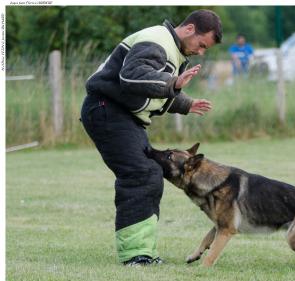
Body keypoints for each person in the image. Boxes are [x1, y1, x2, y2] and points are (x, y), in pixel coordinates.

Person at [80, 9, 222, 266]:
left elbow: (151, 90)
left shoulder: (171, 48)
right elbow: (132, 77)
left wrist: (186, 103)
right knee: (141, 174)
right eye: (201, 45)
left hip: (119, 113)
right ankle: (137, 256)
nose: (201, 52)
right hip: (106, 109)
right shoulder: (156, 40)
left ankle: (142, 252)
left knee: (150, 171)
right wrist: (174, 84)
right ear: (189, 29)